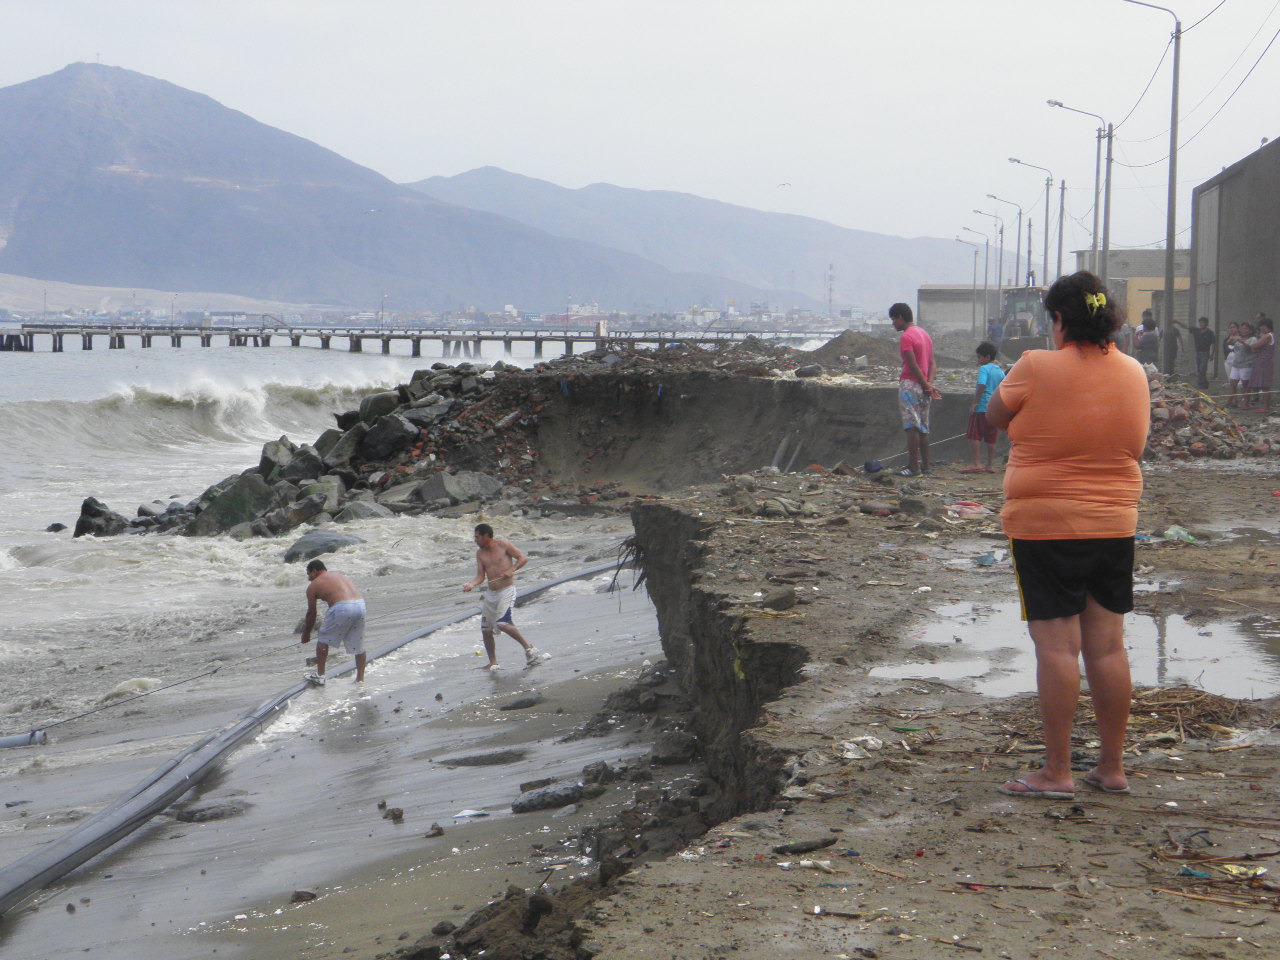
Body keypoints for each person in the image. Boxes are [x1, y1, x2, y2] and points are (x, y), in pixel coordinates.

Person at [986, 271, 1150, 799]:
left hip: (1046, 526)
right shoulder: (1133, 371)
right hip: (1114, 522)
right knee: (1107, 646)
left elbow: (995, 414)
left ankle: (1057, 772)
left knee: (1057, 648)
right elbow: (1136, 445)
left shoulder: (1035, 365)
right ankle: (1111, 768)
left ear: (1058, 319)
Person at [463, 523, 543, 670]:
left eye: (477, 537)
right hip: (491, 594)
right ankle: (493, 663)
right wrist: (471, 585)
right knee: (486, 629)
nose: (475, 540)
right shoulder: (480, 553)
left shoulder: (503, 545)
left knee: (503, 624)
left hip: (506, 591)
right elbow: (480, 576)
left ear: (486, 535)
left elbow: (522, 558)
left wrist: (512, 569)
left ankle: (530, 649)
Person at [889, 302, 939, 477]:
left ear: (900, 317)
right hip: (925, 386)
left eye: (894, 319)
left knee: (911, 426)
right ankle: (926, 466)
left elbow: (913, 365)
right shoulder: (924, 334)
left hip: (911, 385)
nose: (893, 323)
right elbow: (932, 363)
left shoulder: (906, 337)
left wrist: (925, 384)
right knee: (923, 427)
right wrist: (929, 384)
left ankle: (913, 467)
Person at [301, 559, 366, 685]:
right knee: (358, 646)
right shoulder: (340, 576)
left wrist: (306, 633)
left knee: (323, 639)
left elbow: (311, 613)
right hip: (360, 605)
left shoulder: (313, 586)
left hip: (342, 607)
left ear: (314, 571)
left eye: (309, 574)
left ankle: (320, 676)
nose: (309, 578)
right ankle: (360, 680)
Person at [962, 341, 1005, 474]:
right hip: (994, 409)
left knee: (975, 435)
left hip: (981, 407)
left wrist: (975, 402)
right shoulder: (1000, 371)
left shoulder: (984, 369)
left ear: (987, 357)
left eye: (979, 357)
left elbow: (982, 384)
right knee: (991, 437)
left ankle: (976, 463)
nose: (978, 360)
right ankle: (990, 465)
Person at [1247, 316, 1274, 413]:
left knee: (1265, 386)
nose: (1260, 328)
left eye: (1261, 326)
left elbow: (1255, 346)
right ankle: (1266, 406)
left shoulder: (1267, 336)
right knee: (1265, 385)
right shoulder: (1271, 335)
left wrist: (1247, 343)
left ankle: (1266, 407)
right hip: (1265, 362)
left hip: (1264, 362)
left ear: (1265, 326)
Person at [1226, 321, 1255, 408]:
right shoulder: (1239, 338)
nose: (1243, 330)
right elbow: (1229, 343)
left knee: (1245, 385)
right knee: (1232, 384)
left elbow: (1251, 348)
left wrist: (1242, 341)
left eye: (1246, 329)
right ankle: (1229, 402)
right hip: (1236, 364)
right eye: (1242, 329)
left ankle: (1246, 403)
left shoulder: (1253, 339)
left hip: (1246, 365)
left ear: (1250, 330)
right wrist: (1231, 339)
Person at [1191, 316, 1217, 390]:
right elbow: (1187, 327)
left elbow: (1213, 344)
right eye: (1200, 322)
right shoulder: (1196, 331)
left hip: (1205, 353)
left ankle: (1202, 384)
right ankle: (1203, 384)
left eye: (1203, 322)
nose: (1201, 324)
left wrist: (1212, 354)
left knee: (1202, 369)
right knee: (1199, 369)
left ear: (1206, 324)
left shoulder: (1210, 333)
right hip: (1198, 353)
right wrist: (1178, 322)